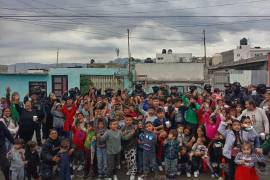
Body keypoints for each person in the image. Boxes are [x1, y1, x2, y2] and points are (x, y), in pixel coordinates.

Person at [121, 115, 138, 180]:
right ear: (124, 121)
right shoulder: (123, 127)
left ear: (132, 121)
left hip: (132, 146)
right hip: (125, 147)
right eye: (127, 120)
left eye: (130, 120)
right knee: (127, 160)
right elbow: (122, 136)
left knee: (132, 160)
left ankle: (133, 173)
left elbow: (136, 135)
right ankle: (129, 170)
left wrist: (135, 130)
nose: (128, 121)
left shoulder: (134, 127)